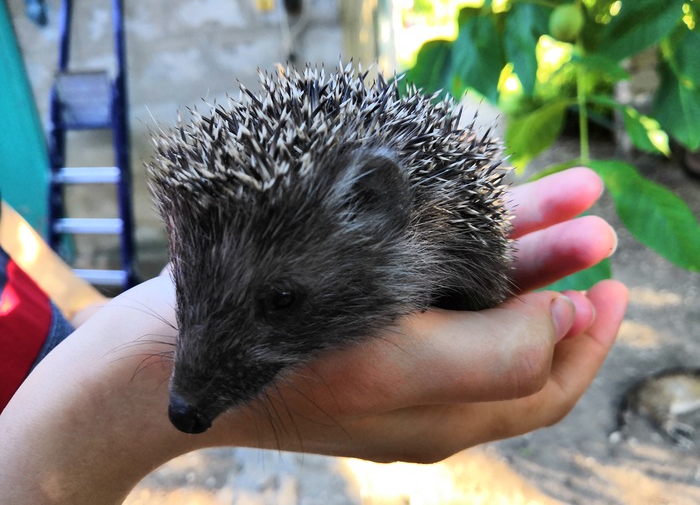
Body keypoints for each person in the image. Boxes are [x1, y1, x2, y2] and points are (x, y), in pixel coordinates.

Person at [0, 167, 628, 505]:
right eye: (187, 290)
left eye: (279, 300)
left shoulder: (419, 240)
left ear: (381, 216)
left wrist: (89, 316)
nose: (185, 392)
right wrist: (87, 423)